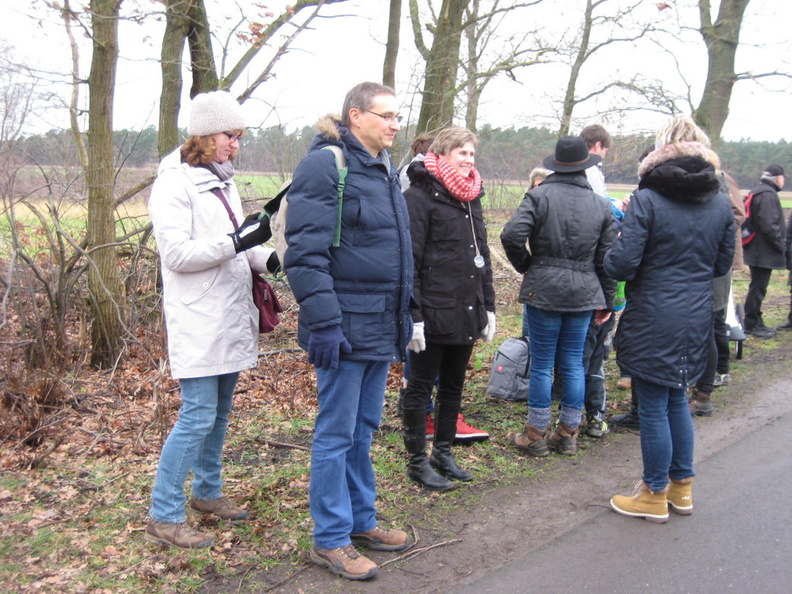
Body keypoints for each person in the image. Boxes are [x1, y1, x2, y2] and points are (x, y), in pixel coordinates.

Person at [284, 82, 412, 581]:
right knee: (335, 434)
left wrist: (410, 313)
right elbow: (305, 252)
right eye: (386, 115)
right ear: (355, 116)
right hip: (343, 325)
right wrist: (325, 322)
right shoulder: (327, 165)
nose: (395, 124)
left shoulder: (384, 169)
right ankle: (330, 538)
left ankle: (361, 521)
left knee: (364, 430)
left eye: (398, 115)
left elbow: (395, 253)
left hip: (382, 322)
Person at [145, 91, 279, 549]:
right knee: (197, 415)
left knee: (218, 413)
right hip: (199, 317)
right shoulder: (173, 184)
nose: (235, 145)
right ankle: (164, 514)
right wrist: (238, 243)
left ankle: (207, 492)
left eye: (239, 137)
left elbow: (241, 240)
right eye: (229, 136)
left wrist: (271, 257)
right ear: (204, 134)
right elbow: (178, 255)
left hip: (228, 312)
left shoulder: (222, 181)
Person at [606, 115, 734, 523]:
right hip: (696, 312)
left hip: (654, 313)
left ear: (661, 150)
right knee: (677, 395)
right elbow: (722, 264)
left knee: (654, 404)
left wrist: (618, 239)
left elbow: (622, 265)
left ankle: (653, 492)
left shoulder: (647, 198)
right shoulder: (719, 200)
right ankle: (682, 488)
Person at [501, 136, 615, 457]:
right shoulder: (601, 206)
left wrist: (529, 266)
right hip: (583, 293)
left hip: (544, 289)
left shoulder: (539, 196)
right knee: (573, 364)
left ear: (556, 165)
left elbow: (511, 235)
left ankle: (536, 435)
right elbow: (606, 260)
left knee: (542, 365)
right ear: (584, 167)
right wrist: (606, 301)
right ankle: (568, 433)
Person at [401, 127, 496, 491]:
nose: (469, 160)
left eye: (472, 154)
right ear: (442, 154)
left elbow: (482, 256)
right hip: (432, 310)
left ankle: (443, 452)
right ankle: (416, 461)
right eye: (462, 153)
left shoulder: (471, 198)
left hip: (466, 308)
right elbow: (410, 261)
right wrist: (415, 316)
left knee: (454, 385)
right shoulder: (418, 197)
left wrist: (488, 307)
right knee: (421, 387)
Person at [689, 160, 745, 416]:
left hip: (713, 265)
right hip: (705, 263)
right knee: (703, 328)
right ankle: (700, 388)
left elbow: (736, 216)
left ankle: (704, 392)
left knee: (710, 326)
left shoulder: (720, 180)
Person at [742, 164, 786, 338]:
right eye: (783, 177)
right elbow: (769, 225)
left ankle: (755, 320)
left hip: (756, 248)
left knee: (758, 287)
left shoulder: (758, 191)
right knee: (758, 288)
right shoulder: (767, 195)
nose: (784, 180)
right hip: (762, 250)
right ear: (776, 178)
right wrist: (780, 246)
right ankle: (751, 323)